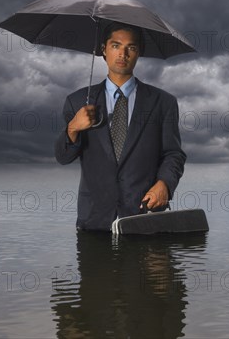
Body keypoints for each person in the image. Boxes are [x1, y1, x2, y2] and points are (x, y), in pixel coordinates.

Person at [55, 22, 186, 231]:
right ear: (103, 50)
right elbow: (63, 157)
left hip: (146, 219)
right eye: (116, 45)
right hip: (94, 221)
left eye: (131, 48)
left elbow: (173, 154)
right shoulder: (77, 101)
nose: (123, 54)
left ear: (139, 52)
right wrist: (73, 128)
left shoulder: (164, 103)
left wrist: (165, 185)